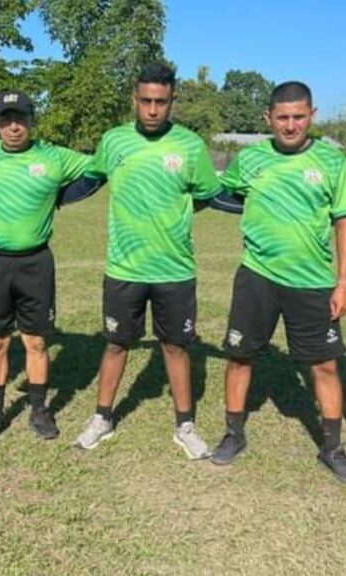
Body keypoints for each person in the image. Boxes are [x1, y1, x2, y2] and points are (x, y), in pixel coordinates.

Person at [208, 81, 346, 483]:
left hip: (312, 282)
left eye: (298, 117)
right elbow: (222, 194)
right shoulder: (251, 158)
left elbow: (345, 221)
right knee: (239, 356)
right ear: (268, 118)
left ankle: (333, 448)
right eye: (282, 118)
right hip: (257, 276)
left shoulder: (332, 161)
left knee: (324, 365)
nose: (290, 125)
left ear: (312, 115)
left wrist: (343, 282)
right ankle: (233, 434)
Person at [73, 62, 224, 459]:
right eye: (146, 101)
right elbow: (91, 178)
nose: (153, 109)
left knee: (175, 347)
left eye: (161, 101)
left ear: (172, 101)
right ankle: (102, 418)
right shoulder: (113, 141)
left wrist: (174, 218)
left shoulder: (190, 145)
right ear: (134, 99)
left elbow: (205, 195)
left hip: (175, 269)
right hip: (124, 269)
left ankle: (185, 425)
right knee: (116, 344)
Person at [0, 90, 101, 441]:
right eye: (6, 119)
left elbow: (100, 168)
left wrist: (61, 197)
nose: (13, 127)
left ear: (31, 121)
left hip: (36, 262)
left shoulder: (54, 156)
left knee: (36, 342)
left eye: (20, 119)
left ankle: (39, 411)